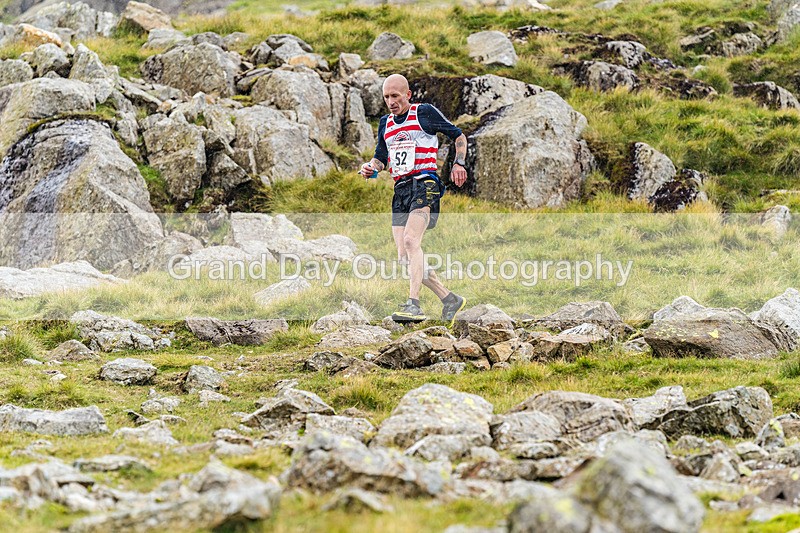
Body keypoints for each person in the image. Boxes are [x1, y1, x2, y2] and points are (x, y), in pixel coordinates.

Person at [359, 73, 468, 325]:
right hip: (401, 189)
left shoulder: (424, 112)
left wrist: (458, 163)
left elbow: (458, 135)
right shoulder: (386, 122)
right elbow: (381, 158)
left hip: (425, 183)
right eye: (386, 97)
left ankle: (414, 305)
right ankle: (449, 298)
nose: (391, 101)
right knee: (404, 255)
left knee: (411, 240)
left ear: (407, 94)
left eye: (395, 96)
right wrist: (370, 167)